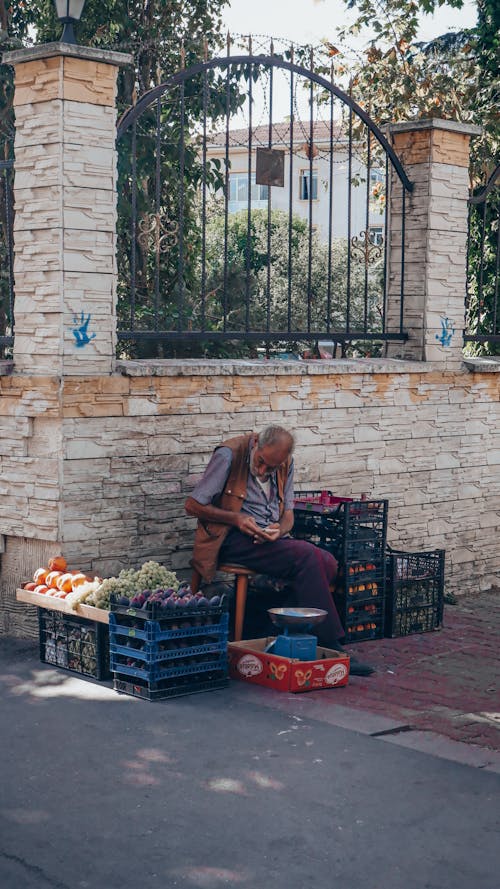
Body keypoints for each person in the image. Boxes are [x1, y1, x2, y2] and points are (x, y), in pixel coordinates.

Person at [185, 425, 374, 676]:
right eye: (261, 462)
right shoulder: (229, 455)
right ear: (256, 445)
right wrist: (236, 519)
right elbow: (193, 505)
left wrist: (279, 530)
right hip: (230, 539)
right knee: (308, 557)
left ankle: (268, 628)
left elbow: (288, 517)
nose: (264, 470)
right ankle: (329, 643)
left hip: (268, 540)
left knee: (328, 562)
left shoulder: (285, 463)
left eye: (271, 468)